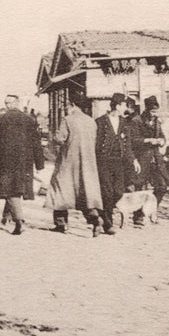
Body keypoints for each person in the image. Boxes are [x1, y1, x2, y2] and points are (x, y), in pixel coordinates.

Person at [0, 94, 44, 235]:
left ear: (16, 103)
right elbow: (37, 143)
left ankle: (19, 221)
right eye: (6, 102)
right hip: (25, 161)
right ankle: (7, 215)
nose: (7, 105)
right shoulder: (29, 120)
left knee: (8, 189)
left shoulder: (1, 119)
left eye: (9, 103)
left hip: (6, 160)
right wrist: (39, 164)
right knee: (15, 187)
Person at [43, 93, 103, 235]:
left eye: (67, 105)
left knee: (60, 189)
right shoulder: (91, 121)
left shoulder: (67, 120)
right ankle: (95, 219)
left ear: (73, 105)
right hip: (88, 163)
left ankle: (61, 224)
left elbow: (60, 139)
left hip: (68, 162)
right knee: (85, 192)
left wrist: (53, 136)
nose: (66, 108)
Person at [95, 92, 140, 234]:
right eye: (125, 105)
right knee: (107, 192)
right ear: (118, 105)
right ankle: (108, 223)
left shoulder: (125, 123)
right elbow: (95, 143)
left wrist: (133, 159)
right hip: (103, 161)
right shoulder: (100, 121)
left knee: (118, 192)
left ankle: (103, 213)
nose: (126, 107)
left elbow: (128, 145)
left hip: (119, 162)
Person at [132, 95, 169, 225]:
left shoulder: (157, 122)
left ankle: (151, 210)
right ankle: (138, 217)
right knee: (140, 188)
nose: (155, 114)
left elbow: (163, 137)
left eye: (157, 111)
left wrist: (162, 141)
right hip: (142, 158)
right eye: (153, 111)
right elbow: (133, 140)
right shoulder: (137, 121)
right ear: (146, 110)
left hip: (156, 159)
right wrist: (148, 140)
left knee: (162, 187)